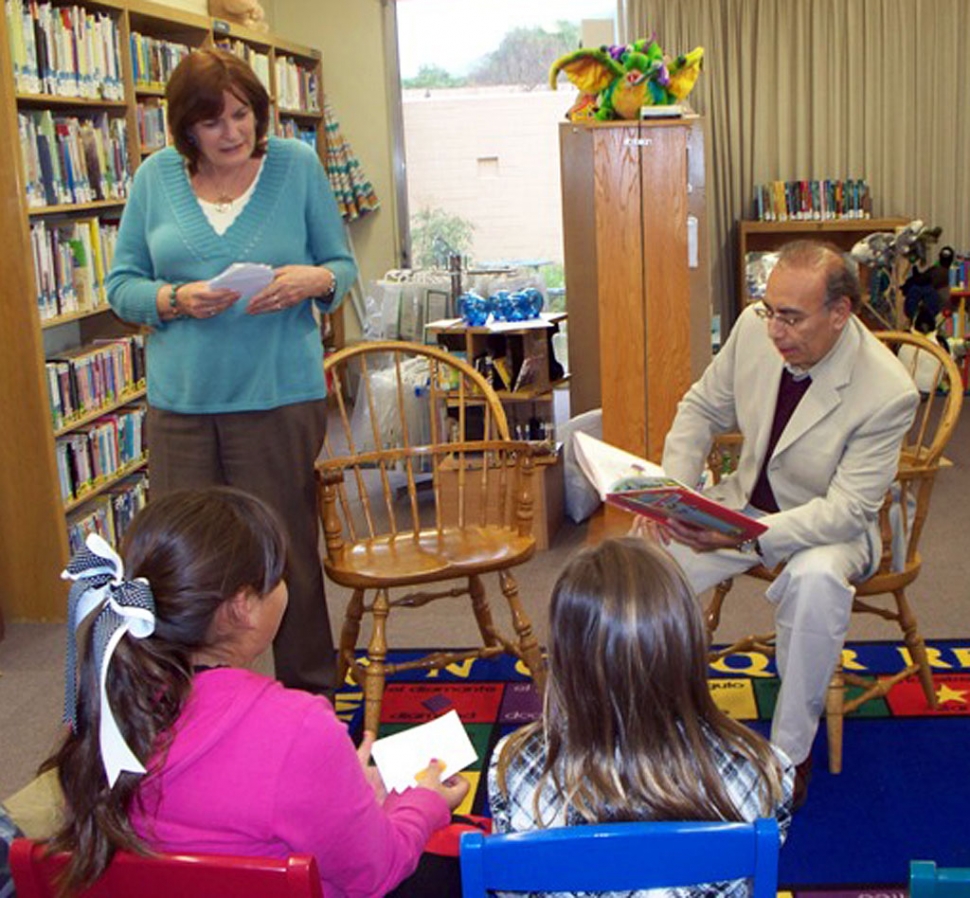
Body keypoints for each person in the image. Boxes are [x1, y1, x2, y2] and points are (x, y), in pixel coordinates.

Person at [41, 487, 469, 897]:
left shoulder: (103, 704)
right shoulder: (298, 728)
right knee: (460, 865)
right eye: (278, 576)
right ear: (243, 605)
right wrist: (424, 802)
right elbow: (376, 872)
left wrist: (338, 785)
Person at [105, 48, 356, 696]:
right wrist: (172, 300)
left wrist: (313, 279)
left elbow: (341, 266)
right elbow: (121, 285)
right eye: (213, 122)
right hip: (183, 405)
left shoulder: (297, 168)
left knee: (286, 552)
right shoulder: (155, 179)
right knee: (182, 561)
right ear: (186, 127)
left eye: (242, 115)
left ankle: (310, 694)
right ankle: (184, 698)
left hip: (277, 398)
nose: (233, 133)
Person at [656, 240, 920, 807]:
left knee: (816, 581)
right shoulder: (756, 330)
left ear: (840, 314)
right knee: (646, 560)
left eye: (792, 317)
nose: (774, 329)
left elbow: (848, 509)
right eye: (769, 309)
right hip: (745, 503)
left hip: (831, 529)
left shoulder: (888, 390)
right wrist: (675, 496)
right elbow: (701, 407)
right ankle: (643, 721)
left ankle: (788, 757)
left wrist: (748, 536)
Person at [488, 538, 792, 896]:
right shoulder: (763, 768)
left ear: (566, 657)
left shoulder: (515, 766)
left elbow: (510, 888)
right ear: (688, 644)